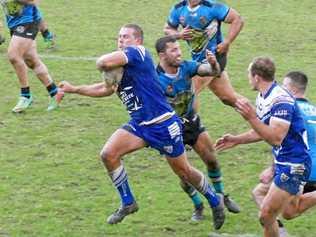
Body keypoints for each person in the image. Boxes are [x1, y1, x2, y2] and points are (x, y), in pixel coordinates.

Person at [59, 24, 226, 230]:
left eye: (126, 37)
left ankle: (214, 200)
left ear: (137, 40)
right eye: (119, 37)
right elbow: (105, 89)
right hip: (140, 124)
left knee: (183, 172)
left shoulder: (138, 52)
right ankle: (128, 202)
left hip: (163, 123)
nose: (121, 41)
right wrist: (74, 89)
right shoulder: (123, 65)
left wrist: (104, 63)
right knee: (108, 154)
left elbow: (103, 62)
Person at [214, 57, 316, 237]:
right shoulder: (263, 97)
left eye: (248, 74)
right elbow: (262, 130)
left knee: (266, 215)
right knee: (290, 211)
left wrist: (251, 118)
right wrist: (237, 139)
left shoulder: (280, 100)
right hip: (286, 162)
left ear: (256, 77)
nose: (247, 78)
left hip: (294, 165)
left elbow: (276, 138)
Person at [154, 35, 240, 221]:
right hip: (171, 130)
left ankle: (222, 196)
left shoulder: (186, 66)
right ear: (162, 55)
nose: (179, 53)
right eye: (174, 50)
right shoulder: (155, 80)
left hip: (192, 123)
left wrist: (213, 64)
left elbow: (211, 71)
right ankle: (198, 205)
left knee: (212, 161)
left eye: (179, 49)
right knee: (185, 175)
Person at [252, 71, 316, 236]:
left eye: (283, 86)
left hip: (300, 170)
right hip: (307, 169)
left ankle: (277, 229)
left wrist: (272, 170)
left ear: (292, 89)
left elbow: (281, 140)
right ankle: (277, 227)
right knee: (287, 211)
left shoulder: (289, 110)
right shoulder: (313, 111)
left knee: (263, 197)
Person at [164, 0, 244, 106]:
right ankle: (259, 116)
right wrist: (179, 35)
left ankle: (192, 122)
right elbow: (168, 29)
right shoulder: (179, 8)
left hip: (215, 57)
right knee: (228, 97)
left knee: (189, 91)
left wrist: (227, 42)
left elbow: (237, 19)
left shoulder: (212, 6)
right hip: (198, 60)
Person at [0, 0, 63, 112]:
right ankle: (55, 92)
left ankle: (25, 95)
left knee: (14, 56)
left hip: (28, 22)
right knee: (31, 61)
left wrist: (45, 31)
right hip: (14, 23)